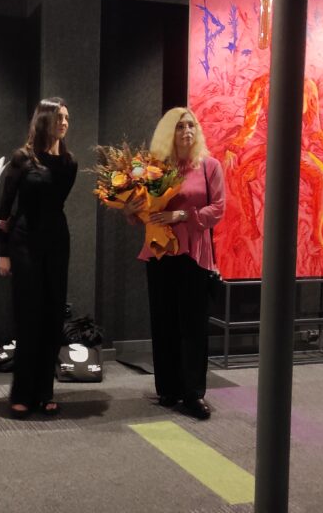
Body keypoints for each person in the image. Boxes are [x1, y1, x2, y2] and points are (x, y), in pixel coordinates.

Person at [123, 107, 224, 420]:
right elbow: (138, 214)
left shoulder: (210, 166)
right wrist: (131, 207)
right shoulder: (154, 168)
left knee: (193, 326)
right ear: (169, 132)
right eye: (180, 127)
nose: (187, 131)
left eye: (191, 125)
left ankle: (193, 393)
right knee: (164, 321)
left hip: (194, 255)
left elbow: (218, 209)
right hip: (160, 253)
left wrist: (182, 215)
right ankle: (167, 388)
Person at [0, 98, 77, 419]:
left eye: (67, 118)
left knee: (52, 316)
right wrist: (3, 252)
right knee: (28, 317)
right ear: (44, 119)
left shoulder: (69, 162)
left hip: (56, 242)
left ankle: (45, 392)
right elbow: (5, 210)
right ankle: (21, 393)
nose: (64, 123)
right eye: (58, 117)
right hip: (24, 243)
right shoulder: (22, 158)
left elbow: (56, 203)